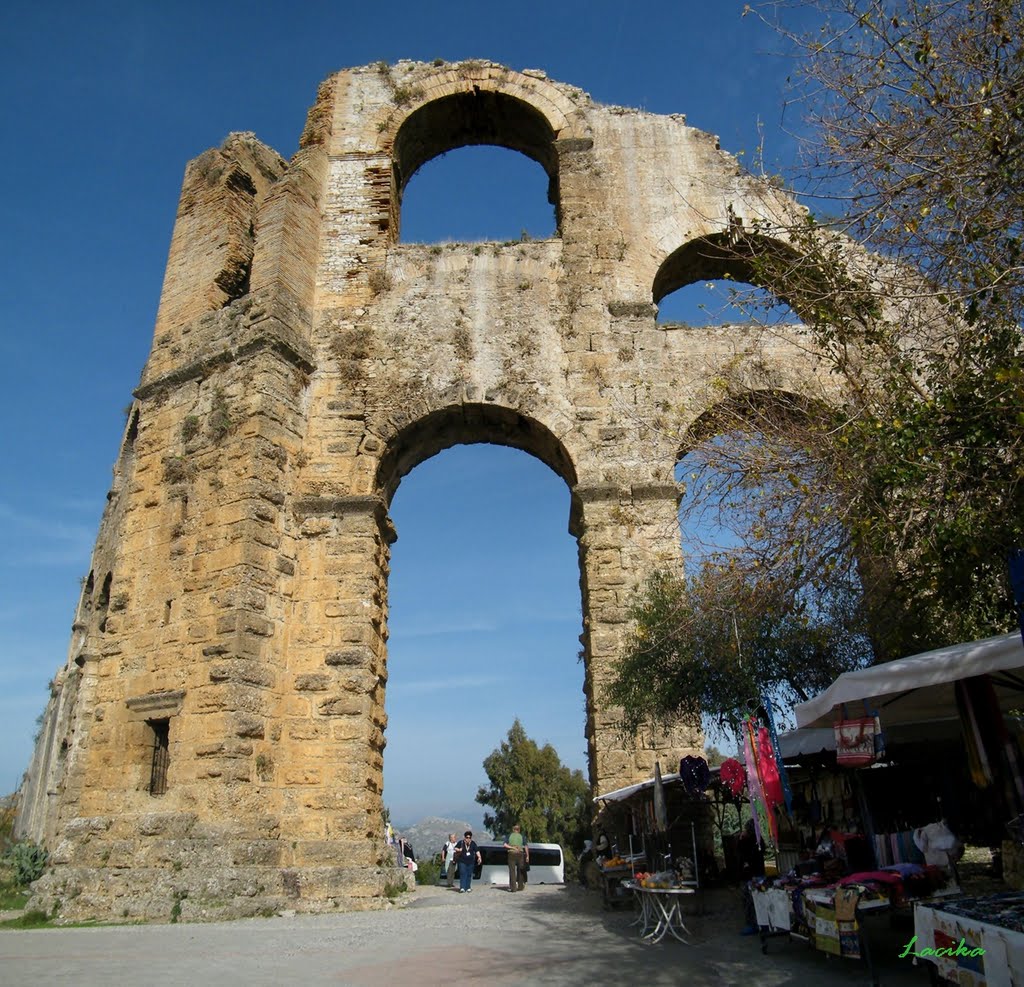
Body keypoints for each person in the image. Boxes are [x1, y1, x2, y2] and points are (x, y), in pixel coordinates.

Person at [738, 819, 765, 936]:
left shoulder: (750, 840)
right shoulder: (758, 840)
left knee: (750, 902)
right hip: (756, 874)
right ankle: (762, 924)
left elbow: (742, 854)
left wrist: (740, 840)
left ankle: (753, 924)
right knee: (757, 901)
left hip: (751, 875)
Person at [503, 824, 529, 892]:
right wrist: (527, 856)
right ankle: (520, 886)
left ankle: (513, 888)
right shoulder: (522, 836)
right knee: (520, 870)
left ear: (513, 830)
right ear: (519, 830)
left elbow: (505, 845)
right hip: (520, 854)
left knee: (512, 871)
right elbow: (526, 846)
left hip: (511, 853)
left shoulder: (509, 836)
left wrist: (512, 847)